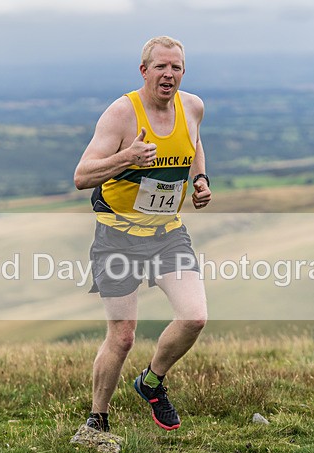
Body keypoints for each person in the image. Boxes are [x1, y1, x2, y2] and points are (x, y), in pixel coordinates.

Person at [73, 36, 211, 432]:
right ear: (144, 71)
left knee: (195, 317)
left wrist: (199, 178)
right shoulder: (122, 114)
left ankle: (151, 381)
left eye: (176, 68)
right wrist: (127, 158)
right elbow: (82, 176)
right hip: (117, 236)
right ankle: (97, 419)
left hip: (167, 233)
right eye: (161, 67)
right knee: (122, 337)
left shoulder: (193, 106)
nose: (169, 75)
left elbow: (195, 142)